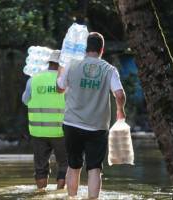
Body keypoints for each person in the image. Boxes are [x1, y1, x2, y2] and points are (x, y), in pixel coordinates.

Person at [57, 32, 126, 199]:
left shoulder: (72, 65)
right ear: (102, 49)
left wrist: (61, 69)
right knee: (95, 168)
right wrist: (120, 110)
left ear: (85, 48)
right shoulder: (109, 69)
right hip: (97, 127)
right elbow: (120, 94)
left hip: (72, 124)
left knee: (73, 166)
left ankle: (71, 197)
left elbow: (59, 88)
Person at [22, 50, 67, 190]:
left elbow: (25, 100)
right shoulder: (66, 81)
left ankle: (40, 194)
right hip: (61, 132)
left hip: (38, 131)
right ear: (62, 64)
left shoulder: (33, 80)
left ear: (49, 63)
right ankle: (60, 195)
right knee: (65, 164)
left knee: (40, 167)